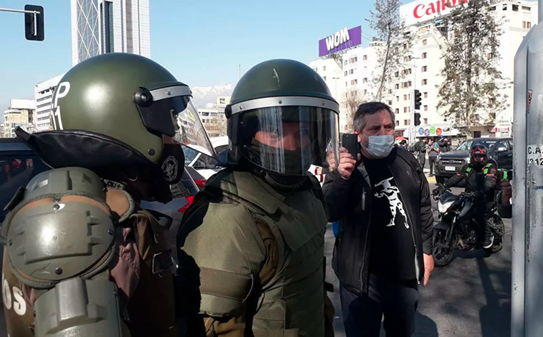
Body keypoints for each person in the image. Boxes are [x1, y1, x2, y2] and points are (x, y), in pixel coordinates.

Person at [0, 53, 215, 337]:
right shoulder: (79, 228)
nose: (173, 138)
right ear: (123, 123)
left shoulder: (106, 209)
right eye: (167, 124)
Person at [176, 59, 339, 336]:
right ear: (245, 134)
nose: (299, 144)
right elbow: (217, 327)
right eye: (277, 132)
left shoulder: (306, 188)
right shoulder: (229, 213)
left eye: (307, 132)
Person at [323, 102, 434, 337]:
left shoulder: (406, 160)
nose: (383, 134)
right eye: (374, 129)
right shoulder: (346, 166)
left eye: (389, 127)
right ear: (358, 134)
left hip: (403, 277)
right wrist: (341, 177)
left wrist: (427, 251)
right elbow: (330, 210)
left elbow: (423, 205)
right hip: (361, 280)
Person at [433, 144, 513, 248]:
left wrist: (479, 192)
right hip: (469, 196)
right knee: (454, 210)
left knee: (476, 213)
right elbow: (456, 177)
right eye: (476, 156)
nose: (479, 158)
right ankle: (461, 232)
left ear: (485, 156)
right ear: (472, 156)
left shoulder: (490, 167)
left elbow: (490, 183)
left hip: (486, 197)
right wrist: (443, 186)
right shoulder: (467, 168)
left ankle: (486, 236)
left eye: (481, 156)